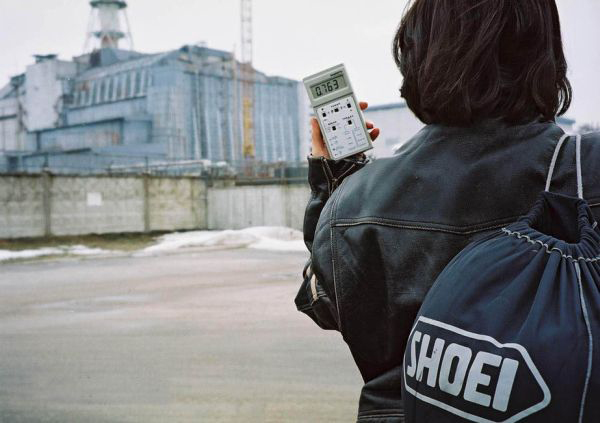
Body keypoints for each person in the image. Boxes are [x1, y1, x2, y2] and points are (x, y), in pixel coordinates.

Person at [294, 1, 600, 422]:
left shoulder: (356, 198)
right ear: (542, 50)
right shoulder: (587, 170)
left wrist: (334, 184)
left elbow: (324, 304)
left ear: (416, 55)